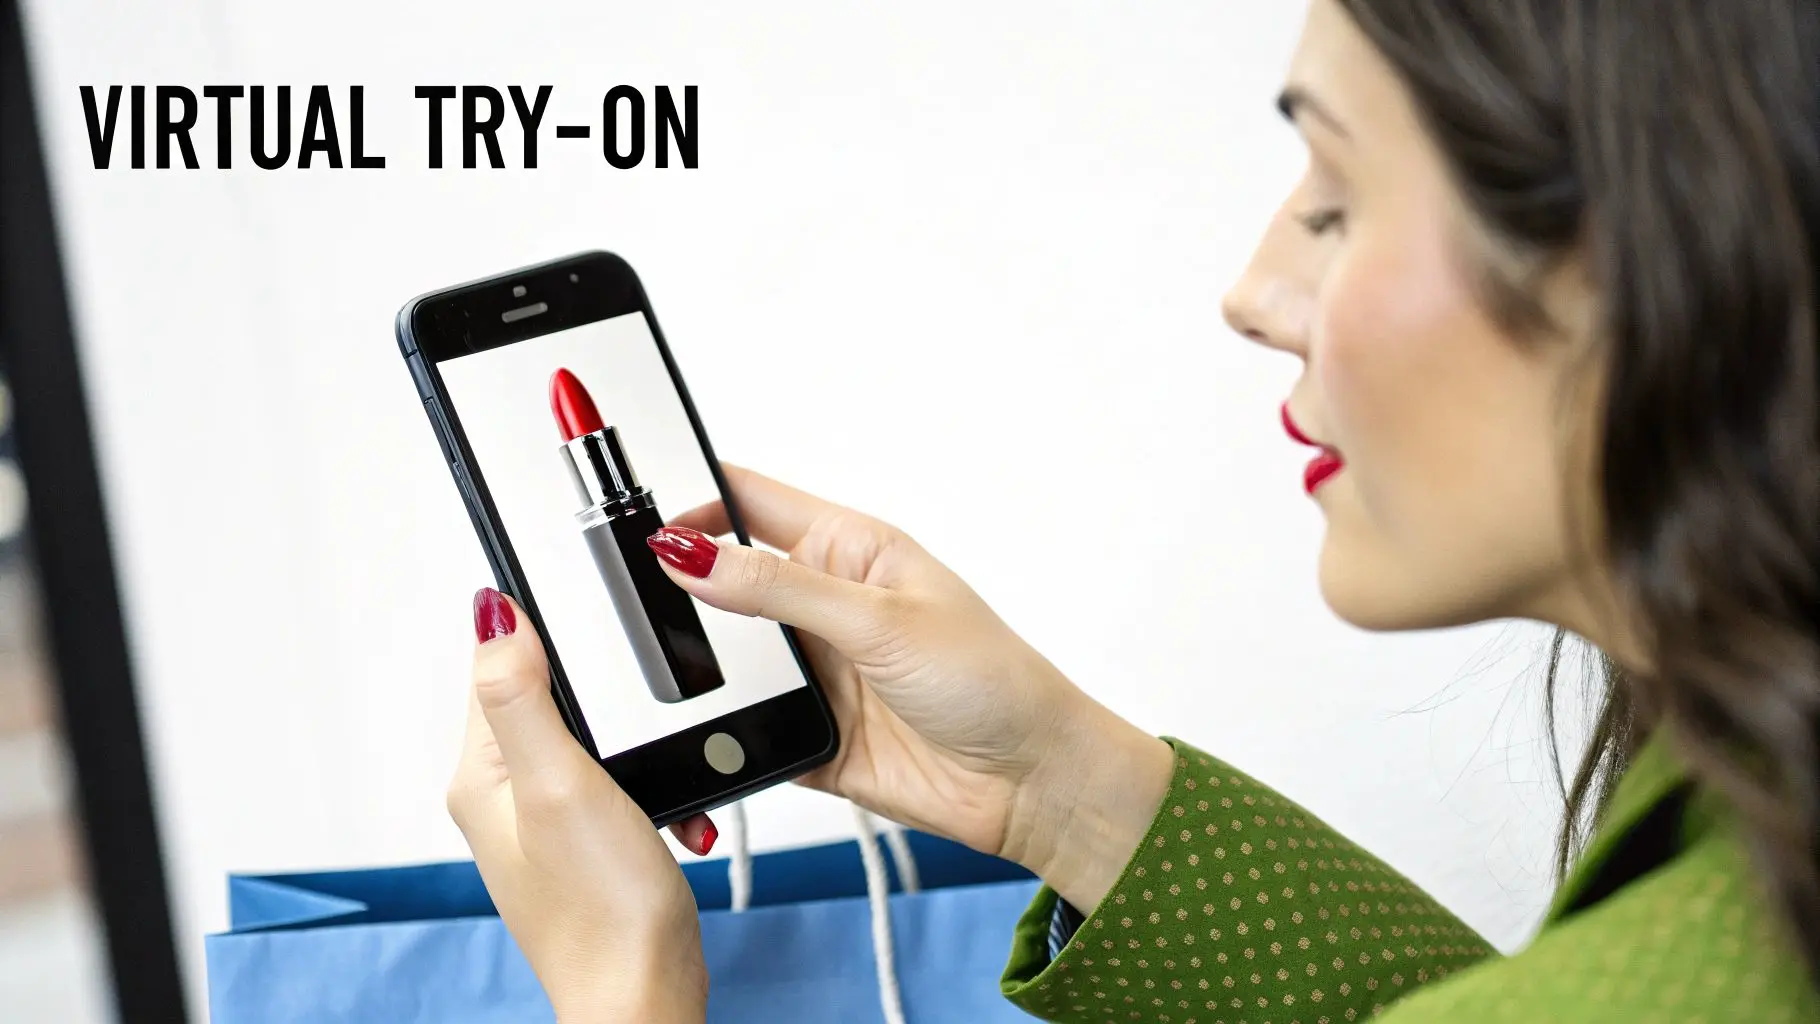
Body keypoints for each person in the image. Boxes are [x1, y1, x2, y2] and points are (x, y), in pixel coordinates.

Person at [446, 0, 1820, 1020]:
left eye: (1334, 204)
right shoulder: (1733, 836)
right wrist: (1051, 786)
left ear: (1679, 245)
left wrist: (626, 984)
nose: (1252, 292)